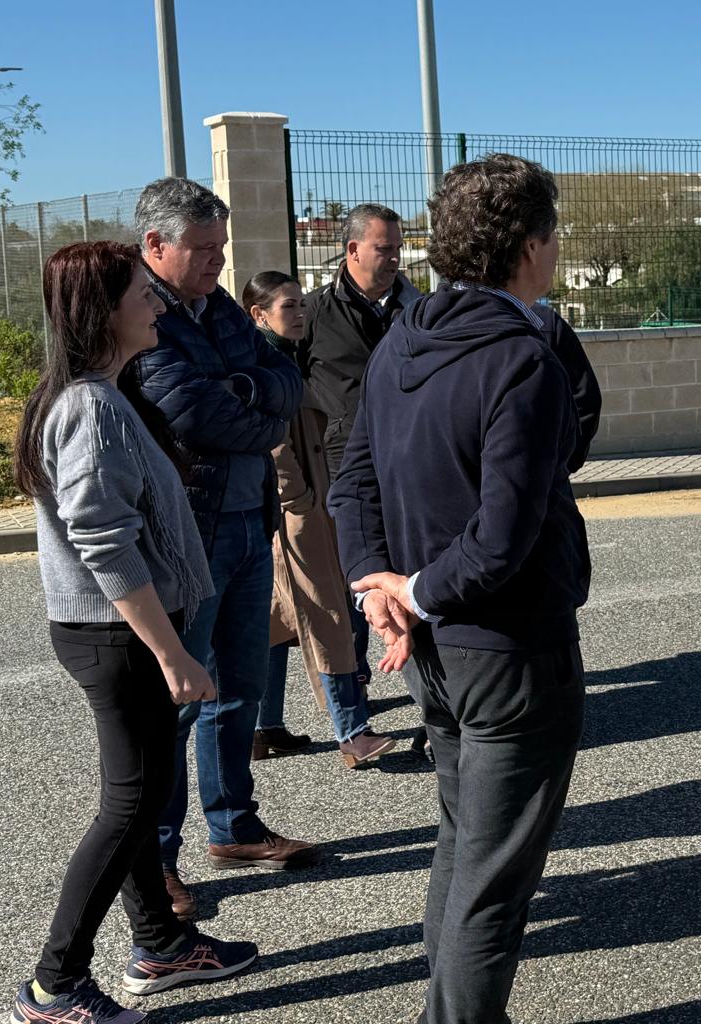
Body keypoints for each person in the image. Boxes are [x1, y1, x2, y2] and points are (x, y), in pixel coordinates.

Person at [330, 155, 590, 1024]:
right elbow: (502, 537)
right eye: (552, 235)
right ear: (528, 246)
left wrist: (380, 590)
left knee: (463, 847)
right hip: (508, 649)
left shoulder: (402, 337)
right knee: (492, 883)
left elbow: (352, 487)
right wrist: (406, 590)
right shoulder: (522, 358)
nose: (555, 250)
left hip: (431, 648)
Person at [9, 242, 257, 1024]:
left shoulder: (99, 394)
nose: (157, 306)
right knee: (129, 805)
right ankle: (54, 987)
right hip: (117, 636)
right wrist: (171, 652)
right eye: (142, 295)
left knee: (141, 795)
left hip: (115, 632)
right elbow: (104, 542)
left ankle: (161, 943)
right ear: (104, 311)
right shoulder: (88, 407)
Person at [130, 178, 315, 921]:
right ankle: (157, 862)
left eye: (222, 246)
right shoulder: (139, 308)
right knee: (178, 702)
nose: (218, 260)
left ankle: (234, 826)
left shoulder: (220, 309)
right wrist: (256, 406)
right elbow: (192, 413)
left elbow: (287, 380)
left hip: (246, 522)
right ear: (155, 245)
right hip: (188, 536)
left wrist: (246, 391)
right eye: (203, 248)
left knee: (239, 688)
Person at [242, 272, 395, 769]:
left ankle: (262, 728)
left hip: (300, 503)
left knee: (278, 617)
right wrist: (299, 500)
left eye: (302, 305)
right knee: (326, 613)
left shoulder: (286, 357)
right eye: (289, 306)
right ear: (258, 314)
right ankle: (352, 733)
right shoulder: (263, 365)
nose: (301, 314)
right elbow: (273, 443)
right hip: (295, 510)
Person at [300, 205, 422, 690]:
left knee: (413, 571)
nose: (395, 259)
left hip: (409, 464)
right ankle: (352, 686)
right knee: (353, 574)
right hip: (341, 469)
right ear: (352, 250)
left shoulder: (418, 311)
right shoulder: (313, 313)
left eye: (398, 249)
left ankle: (431, 686)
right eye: (384, 249)